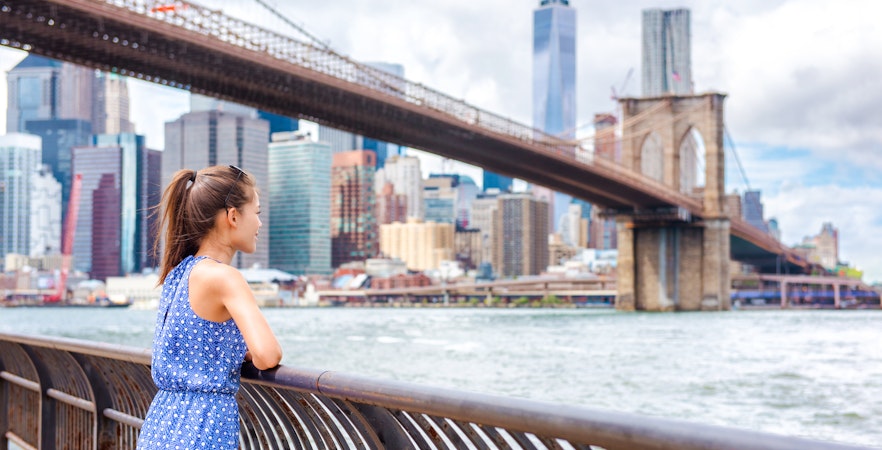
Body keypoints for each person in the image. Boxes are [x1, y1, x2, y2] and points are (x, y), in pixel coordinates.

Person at [137, 165, 282, 449]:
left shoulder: (179, 273)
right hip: (203, 428)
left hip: (160, 424)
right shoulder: (224, 277)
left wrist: (235, 351)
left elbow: (197, 339)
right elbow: (267, 356)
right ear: (233, 215)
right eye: (258, 213)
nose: (260, 224)